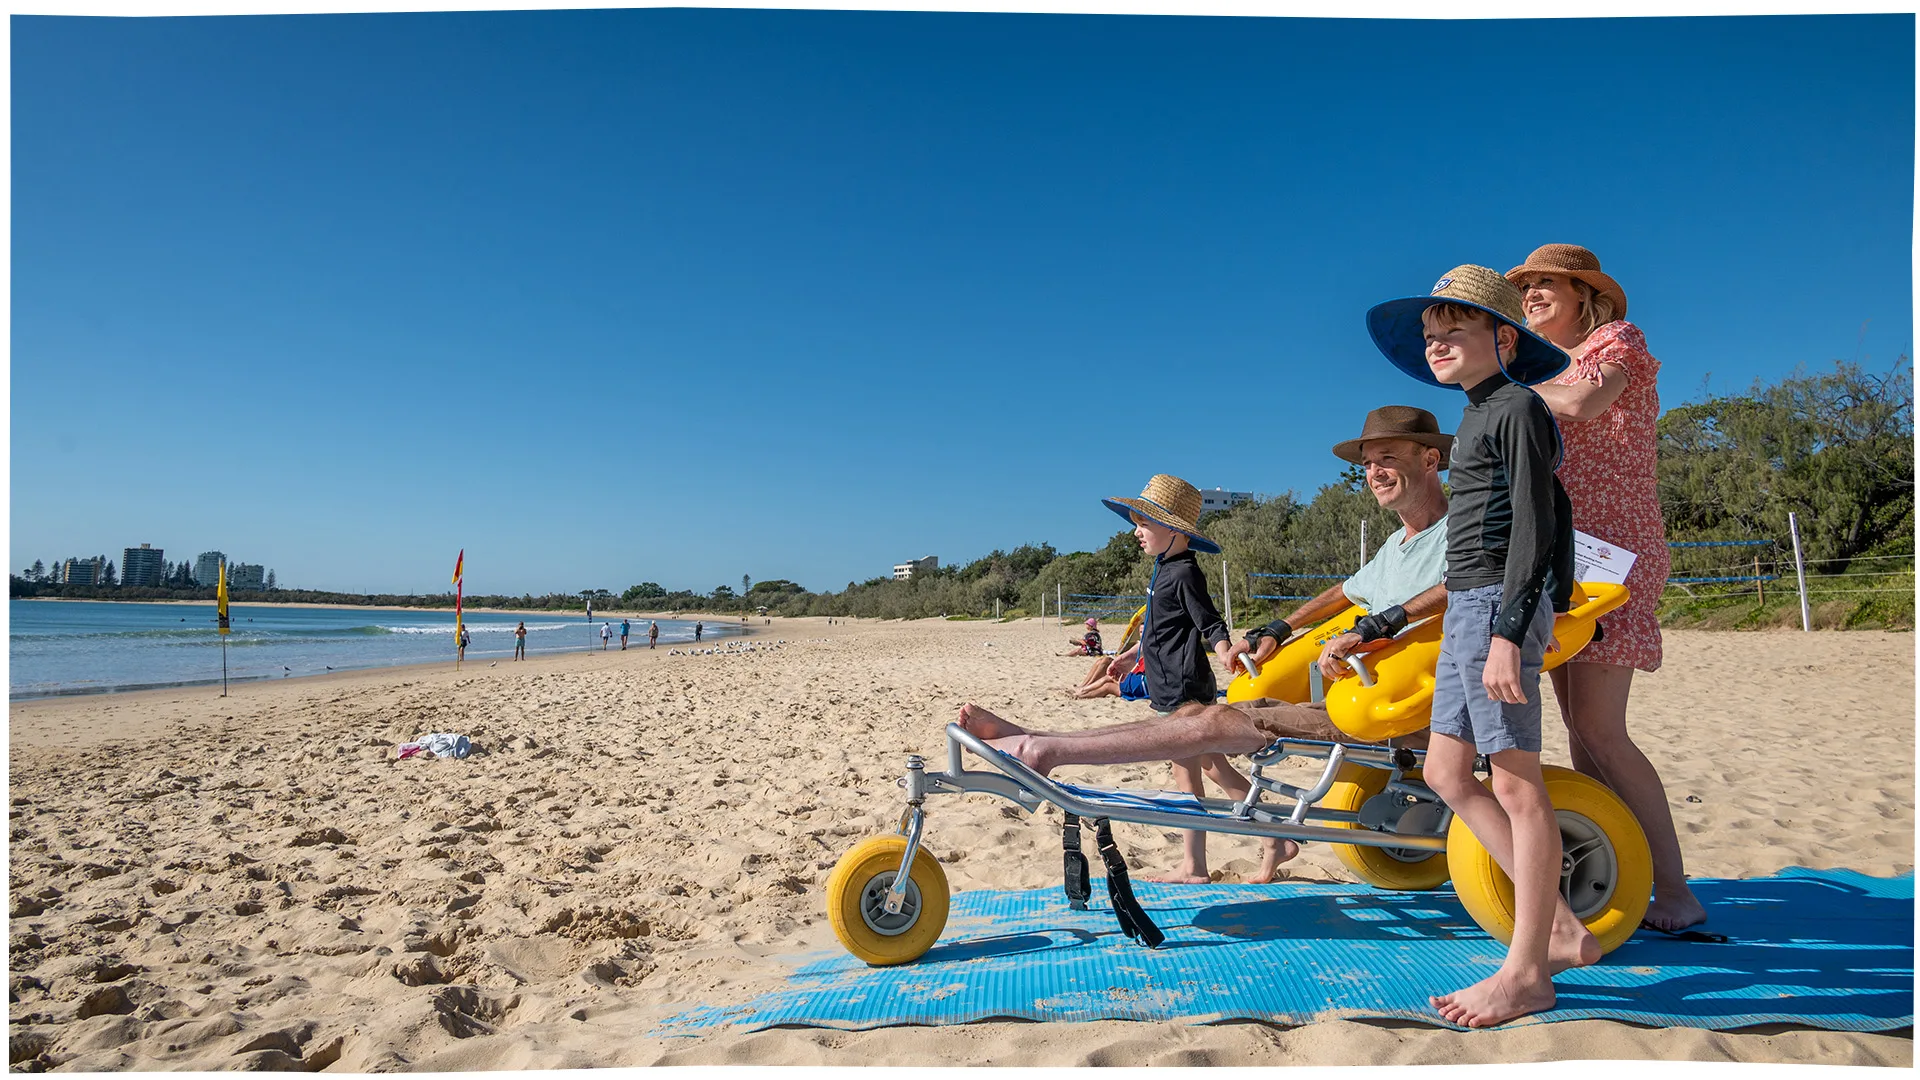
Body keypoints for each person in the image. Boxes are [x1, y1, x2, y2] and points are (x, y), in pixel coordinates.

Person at [966, 406, 1456, 883]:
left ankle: (1043, 748)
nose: (1373, 472)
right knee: (1211, 719)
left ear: (1430, 460)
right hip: (1363, 695)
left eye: (1386, 458)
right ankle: (1038, 742)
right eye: (1367, 463)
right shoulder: (1398, 546)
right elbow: (1344, 592)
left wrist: (1377, 626)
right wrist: (1278, 629)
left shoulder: (1461, 534)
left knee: (1209, 722)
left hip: (1407, 710)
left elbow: (1469, 582)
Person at [1368, 263, 1592, 1027]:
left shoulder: (1518, 408)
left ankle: (1528, 973)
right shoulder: (1473, 417)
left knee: (1517, 786)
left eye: (1453, 333)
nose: (1437, 346)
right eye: (1431, 337)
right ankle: (1559, 925)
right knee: (1445, 771)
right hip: (1469, 603)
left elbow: (1534, 524)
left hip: (1500, 604)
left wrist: (1507, 633)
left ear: (1503, 337)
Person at [1507, 244, 1703, 932]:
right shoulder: (1535, 365)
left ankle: (1676, 891)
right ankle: (1624, 868)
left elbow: (1588, 402)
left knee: (1600, 728)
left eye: (1544, 285)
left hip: (1614, 558)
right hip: (1566, 557)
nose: (1530, 295)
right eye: (1525, 287)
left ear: (1584, 294)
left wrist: (1509, 384)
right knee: (1581, 735)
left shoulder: (1616, 341)